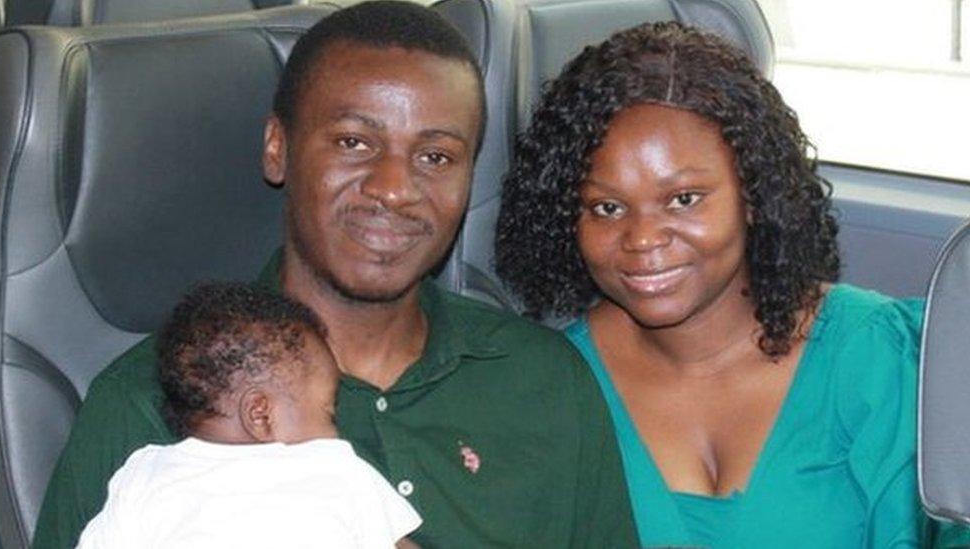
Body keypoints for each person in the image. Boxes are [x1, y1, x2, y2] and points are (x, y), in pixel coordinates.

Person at [32, 2, 637, 548]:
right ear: (278, 148)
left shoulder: (546, 382)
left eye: (436, 157)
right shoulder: (151, 401)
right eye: (354, 142)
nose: (395, 189)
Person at [496, 21, 970, 549]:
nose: (644, 239)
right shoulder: (557, 384)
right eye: (607, 208)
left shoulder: (880, 356)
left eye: (684, 199)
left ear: (752, 193)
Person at [76, 283, 422, 548]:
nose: (336, 433)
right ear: (261, 414)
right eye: (327, 412)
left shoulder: (144, 473)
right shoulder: (334, 464)